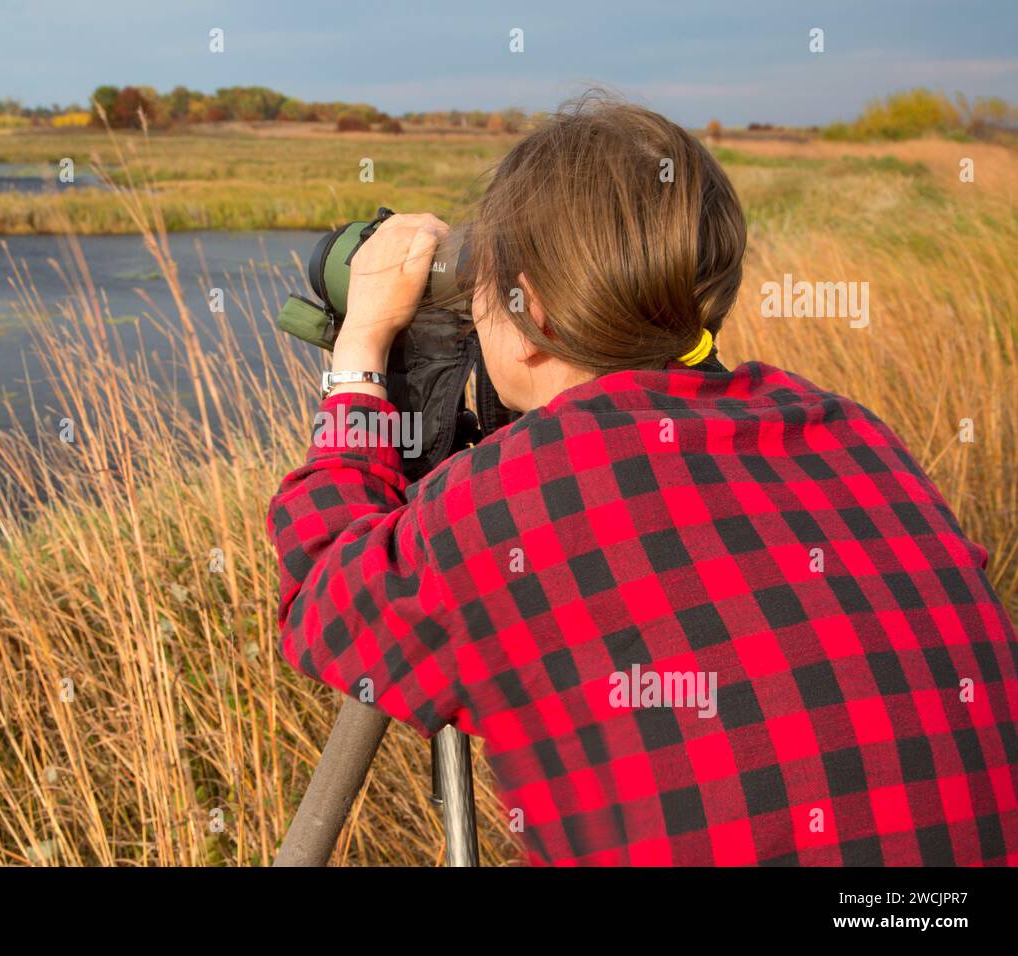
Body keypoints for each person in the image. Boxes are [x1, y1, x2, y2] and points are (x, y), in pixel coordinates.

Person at [266, 95, 1018, 865]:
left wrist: (360, 348)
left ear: (542, 315)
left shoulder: (526, 493)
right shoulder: (850, 430)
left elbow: (327, 595)